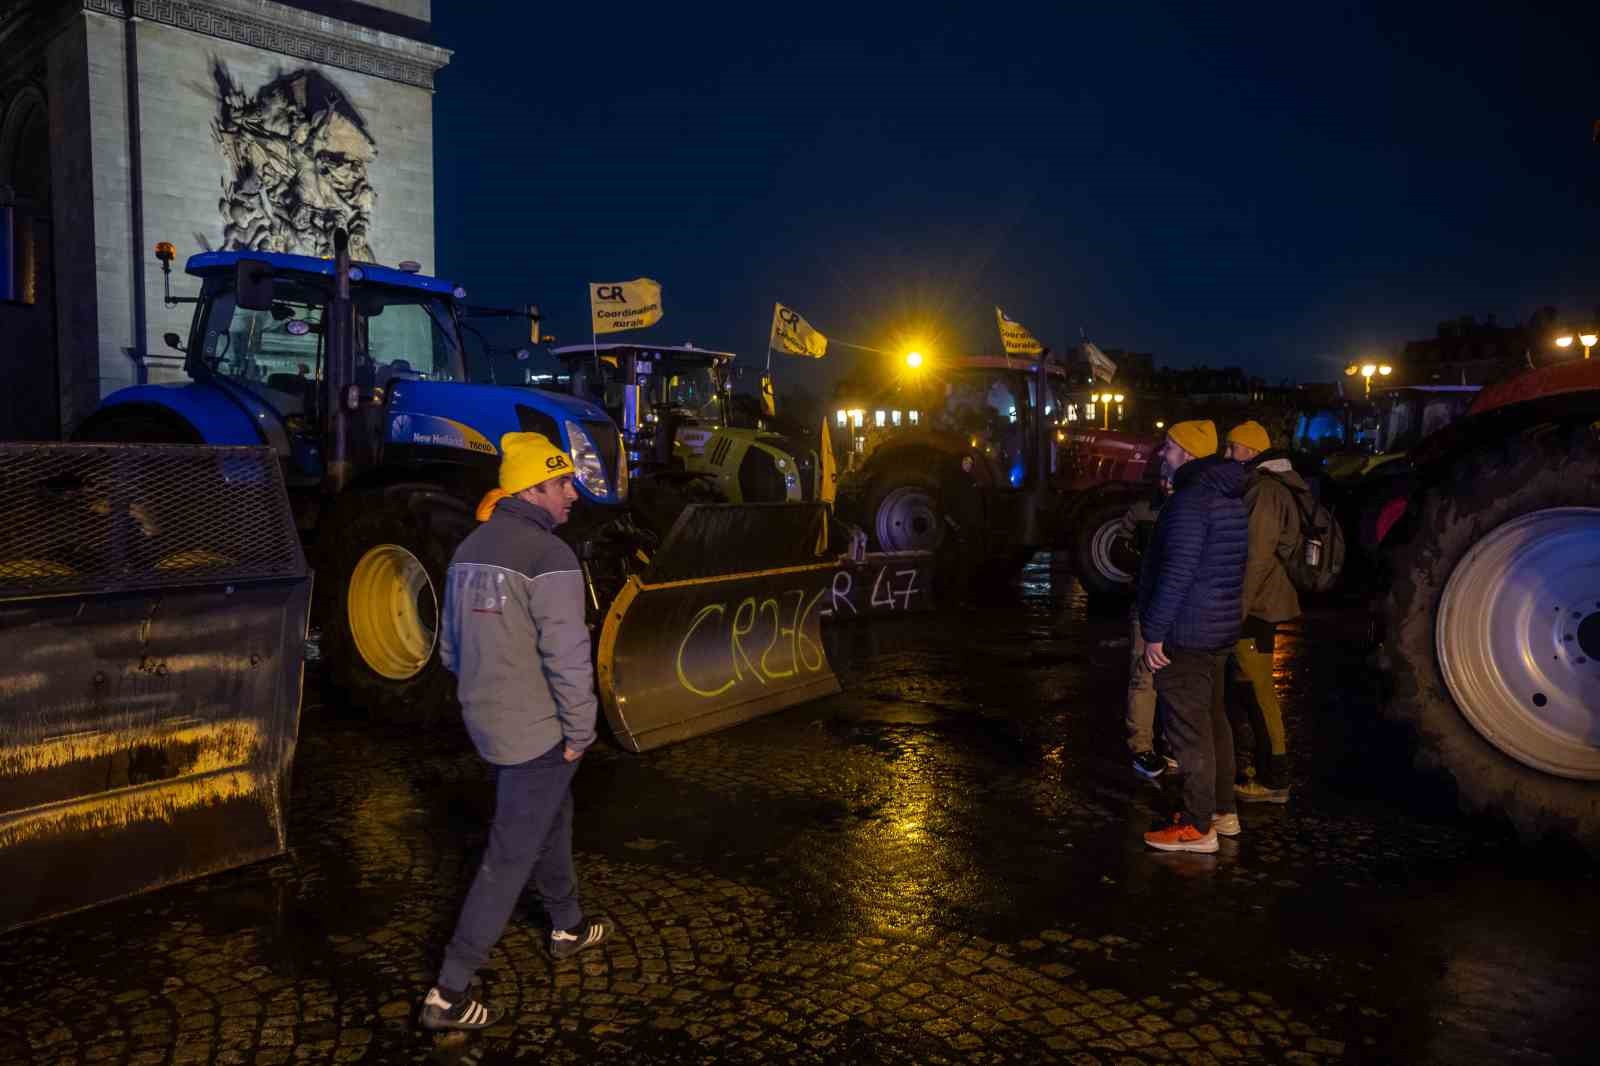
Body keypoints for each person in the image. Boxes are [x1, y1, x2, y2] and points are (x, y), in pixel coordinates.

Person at [420, 431, 614, 1032]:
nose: (572, 496)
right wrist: (581, 729)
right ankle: (449, 992)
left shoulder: (469, 547)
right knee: (509, 855)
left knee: (550, 817)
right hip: (540, 732)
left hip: (489, 722)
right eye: (563, 485)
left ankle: (567, 925)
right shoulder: (550, 558)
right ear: (535, 487)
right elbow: (568, 656)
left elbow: (449, 648)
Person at [1137, 420, 1249, 853]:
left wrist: (1154, 633)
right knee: (1214, 721)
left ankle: (1198, 827)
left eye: (1169, 447)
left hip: (1186, 630)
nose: (1162, 454)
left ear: (1187, 453)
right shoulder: (1228, 498)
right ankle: (1223, 812)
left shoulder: (1189, 503)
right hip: (1216, 629)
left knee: (1189, 731)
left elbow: (1176, 574)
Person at [1224, 420, 1305, 804]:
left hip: (1257, 604)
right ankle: (1264, 767)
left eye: (1233, 448)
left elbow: (1254, 558)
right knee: (1252, 689)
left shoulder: (1265, 491)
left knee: (1259, 692)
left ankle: (1275, 781)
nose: (1227, 454)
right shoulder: (1271, 486)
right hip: (1262, 600)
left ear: (1252, 453)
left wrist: (1234, 611)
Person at [1122, 480, 1171, 779]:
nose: (1165, 482)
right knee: (1144, 676)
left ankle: (1169, 744)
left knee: (1169, 677)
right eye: (1161, 475)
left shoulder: (1187, 507)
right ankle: (1142, 747)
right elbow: (1120, 545)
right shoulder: (1143, 509)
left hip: (1167, 604)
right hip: (1148, 603)